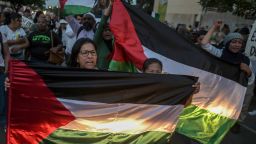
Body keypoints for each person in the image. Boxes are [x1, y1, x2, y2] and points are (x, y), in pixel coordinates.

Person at [201, 20, 255, 133]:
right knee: (209, 124)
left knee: (221, 129)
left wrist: (248, 72)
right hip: (217, 95)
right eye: (234, 42)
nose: (237, 45)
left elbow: (250, 81)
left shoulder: (245, 60)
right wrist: (214, 27)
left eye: (239, 42)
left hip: (232, 99)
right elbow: (204, 44)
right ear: (227, 43)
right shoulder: (221, 53)